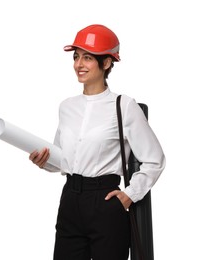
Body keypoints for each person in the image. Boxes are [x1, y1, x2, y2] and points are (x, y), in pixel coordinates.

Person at [29, 24, 166, 260]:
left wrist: (129, 194)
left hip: (105, 201)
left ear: (107, 63)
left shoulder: (124, 106)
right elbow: (64, 160)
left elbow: (155, 160)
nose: (78, 65)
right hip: (70, 200)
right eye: (76, 57)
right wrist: (45, 162)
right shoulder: (67, 107)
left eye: (87, 58)